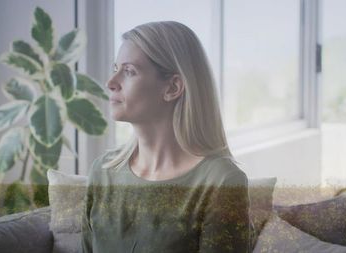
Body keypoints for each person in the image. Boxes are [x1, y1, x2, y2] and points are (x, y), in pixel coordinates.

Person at [81, 21, 251, 253]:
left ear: (173, 87)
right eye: (115, 69)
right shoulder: (101, 171)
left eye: (129, 71)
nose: (111, 83)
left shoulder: (221, 182)